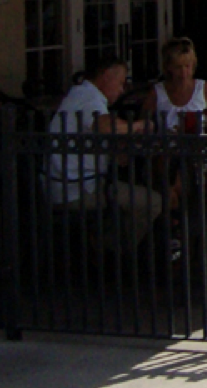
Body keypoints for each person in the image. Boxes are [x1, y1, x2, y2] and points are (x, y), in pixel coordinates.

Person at [44, 56, 162, 248]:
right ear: (107, 76)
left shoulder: (80, 94)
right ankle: (113, 251)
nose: (122, 90)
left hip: (67, 185)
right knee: (152, 201)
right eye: (121, 83)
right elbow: (105, 126)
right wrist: (139, 125)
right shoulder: (89, 97)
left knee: (129, 194)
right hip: (77, 190)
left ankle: (102, 244)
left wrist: (113, 153)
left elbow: (93, 135)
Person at [147, 37, 207, 133]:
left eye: (187, 66)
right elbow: (143, 127)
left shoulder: (204, 88)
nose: (183, 73)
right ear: (168, 67)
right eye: (178, 67)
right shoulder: (157, 92)